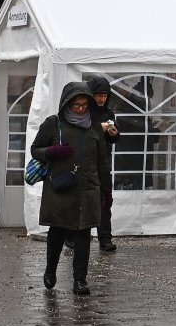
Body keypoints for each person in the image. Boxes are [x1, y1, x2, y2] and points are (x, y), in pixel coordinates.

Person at [31, 82, 111, 295]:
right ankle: (50, 270)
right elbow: (35, 150)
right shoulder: (53, 123)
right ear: (67, 103)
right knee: (56, 232)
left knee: (83, 235)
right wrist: (52, 151)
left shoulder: (94, 125)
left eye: (84, 104)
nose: (80, 108)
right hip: (60, 188)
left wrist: (106, 189)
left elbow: (102, 159)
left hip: (88, 188)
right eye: (76, 104)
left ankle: (80, 280)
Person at [89, 76, 119, 252]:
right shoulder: (84, 111)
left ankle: (105, 238)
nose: (101, 99)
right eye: (98, 95)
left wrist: (113, 133)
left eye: (104, 95)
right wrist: (97, 128)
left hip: (103, 163)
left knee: (105, 201)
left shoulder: (108, 112)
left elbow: (112, 138)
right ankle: (72, 236)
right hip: (86, 163)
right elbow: (81, 133)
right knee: (83, 201)